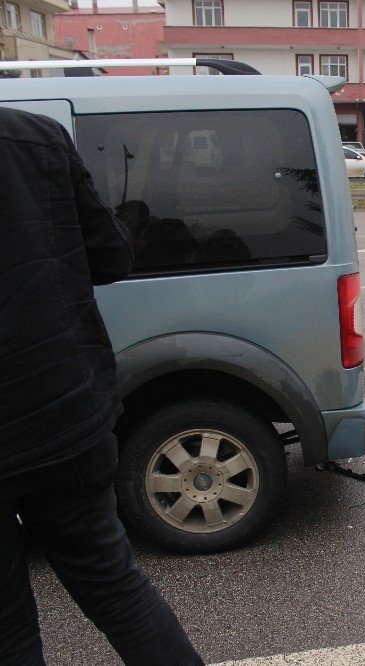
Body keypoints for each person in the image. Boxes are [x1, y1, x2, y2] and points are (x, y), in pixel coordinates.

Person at [0, 107, 203, 665]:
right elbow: (111, 255)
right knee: (115, 587)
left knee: (7, 633)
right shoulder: (34, 137)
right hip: (63, 414)